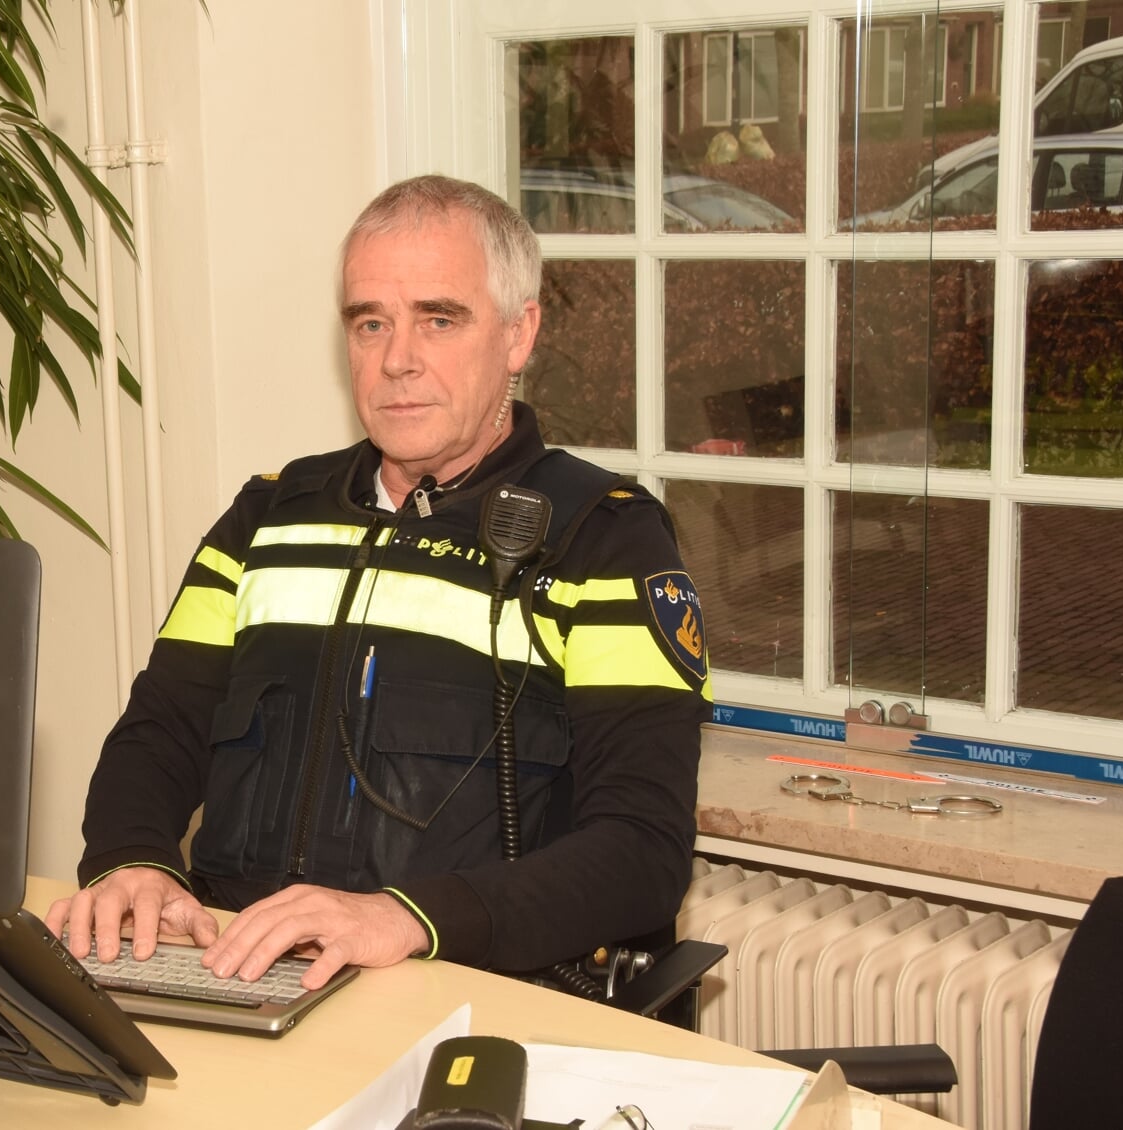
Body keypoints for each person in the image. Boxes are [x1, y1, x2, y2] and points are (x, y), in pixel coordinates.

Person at [44, 175, 710, 993]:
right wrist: (133, 861)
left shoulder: (604, 539)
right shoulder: (266, 519)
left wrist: (403, 918)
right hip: (237, 973)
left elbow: (641, 851)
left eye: (439, 318)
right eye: (370, 323)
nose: (397, 360)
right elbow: (160, 731)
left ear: (518, 333)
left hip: (457, 987)